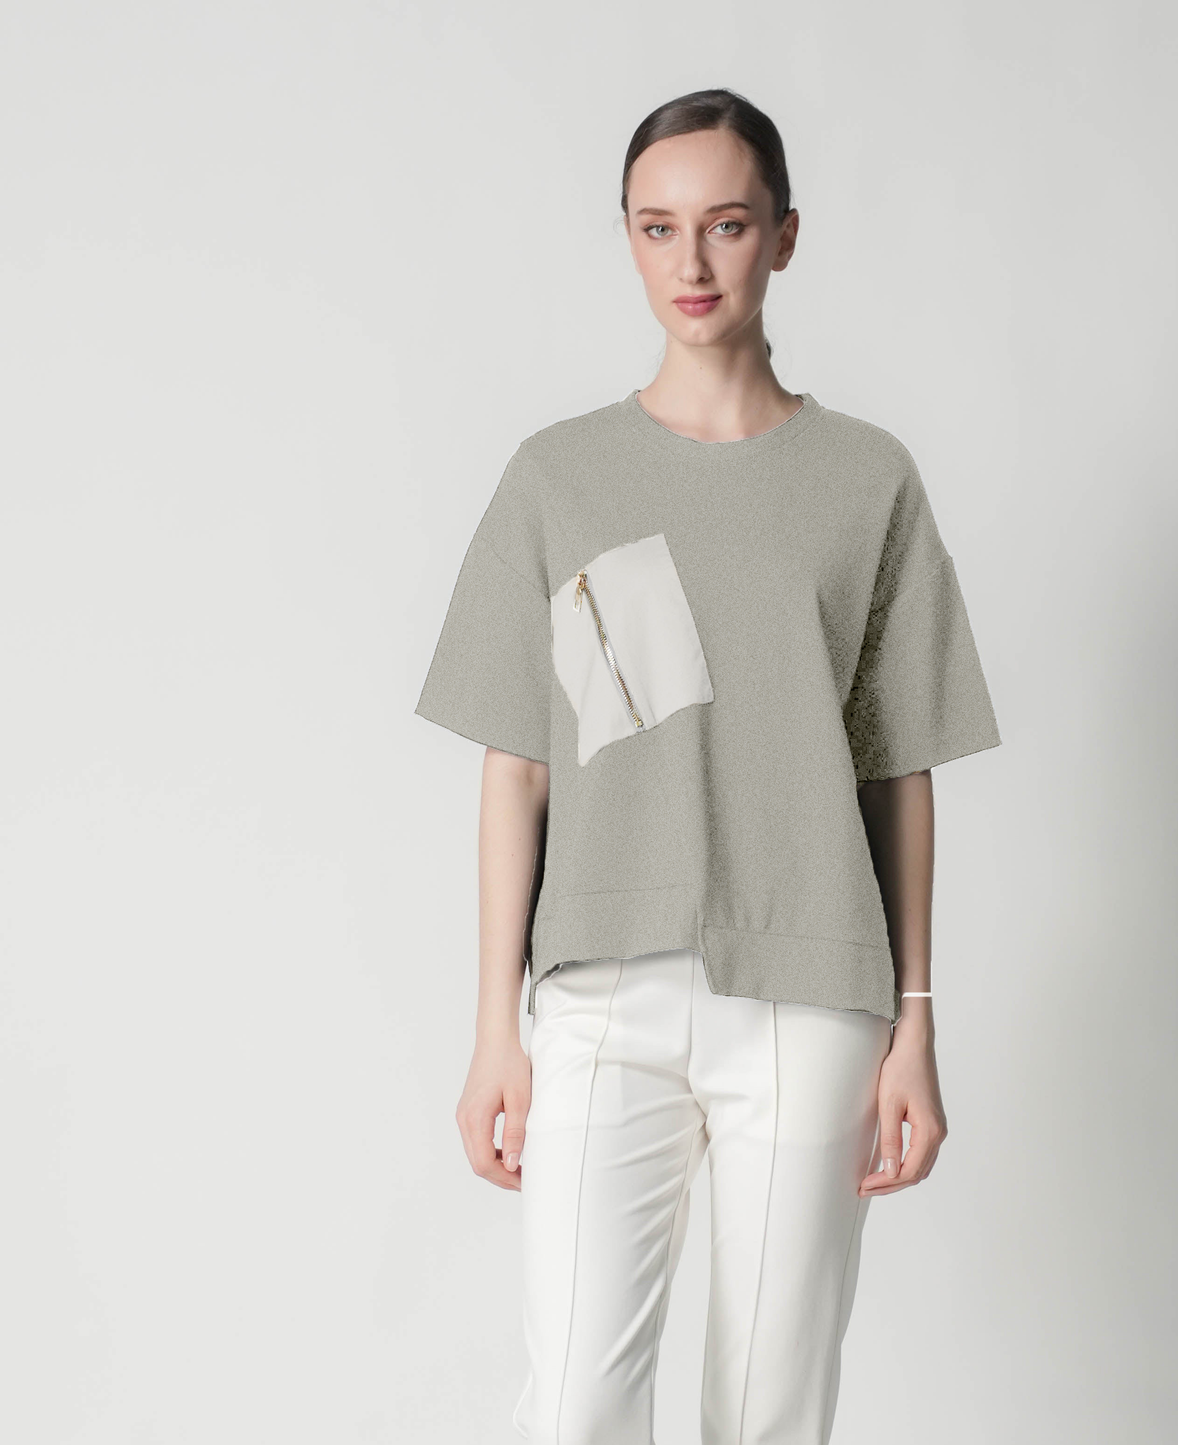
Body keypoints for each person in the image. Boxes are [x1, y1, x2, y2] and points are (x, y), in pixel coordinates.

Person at [414, 87, 1002, 1445]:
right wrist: (496, 1028)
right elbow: (519, 767)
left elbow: (897, 770)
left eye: (727, 225)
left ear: (784, 236)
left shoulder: (867, 479)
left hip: (812, 995)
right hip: (601, 996)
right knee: (574, 1406)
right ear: (625, 236)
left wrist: (916, 1023)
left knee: (770, 1409)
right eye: (658, 227)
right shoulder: (560, 477)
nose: (691, 262)